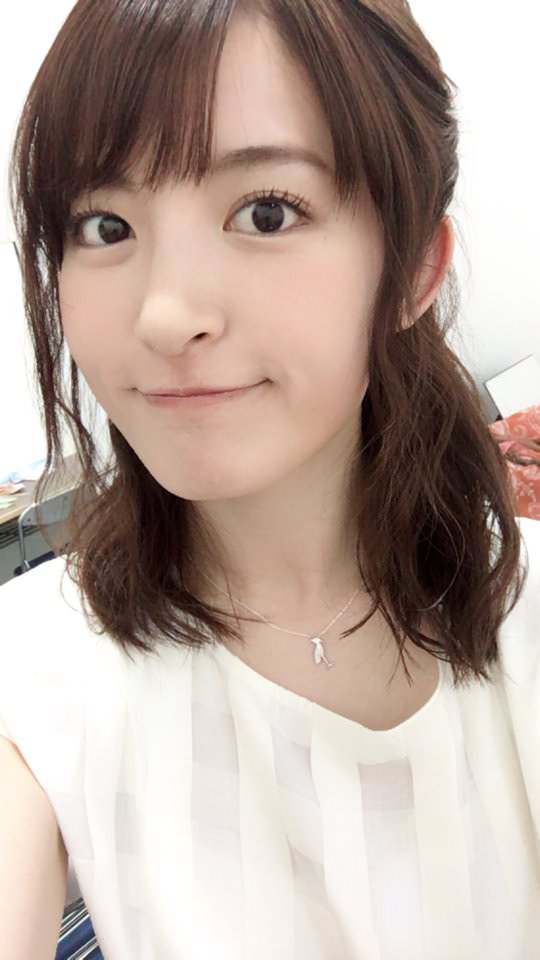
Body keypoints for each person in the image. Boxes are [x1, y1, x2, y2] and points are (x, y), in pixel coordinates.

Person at [0, 0, 538, 957]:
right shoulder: (32, 670)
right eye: (105, 224)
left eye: (265, 211)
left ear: (416, 270)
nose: (165, 314)